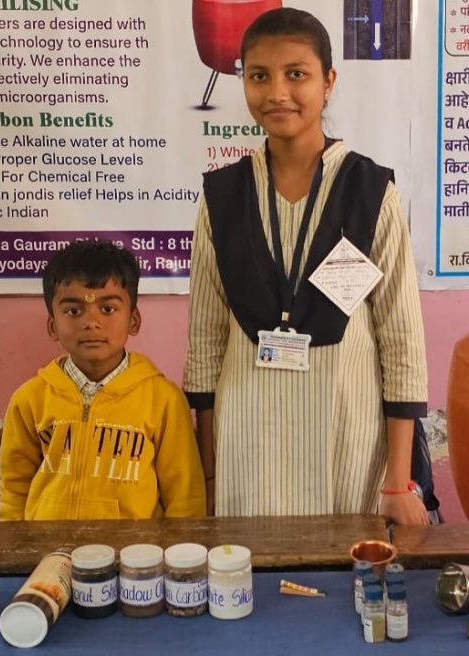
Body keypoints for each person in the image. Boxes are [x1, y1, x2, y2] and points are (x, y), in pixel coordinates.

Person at [184, 8, 429, 525]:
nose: (277, 92)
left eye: (296, 74)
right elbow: (205, 342)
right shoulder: (222, 198)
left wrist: (398, 482)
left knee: (347, 570)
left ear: (328, 82)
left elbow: (401, 341)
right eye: (259, 76)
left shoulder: (370, 194)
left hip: (348, 443)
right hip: (247, 448)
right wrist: (208, 476)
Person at [0, 239, 206, 521]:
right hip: (47, 545)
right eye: (74, 311)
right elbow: (14, 488)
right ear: (52, 326)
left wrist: (178, 547)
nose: (91, 322)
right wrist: (15, 544)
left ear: (133, 321)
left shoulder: (163, 400)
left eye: (107, 309)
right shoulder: (30, 399)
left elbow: (185, 497)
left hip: (135, 547)